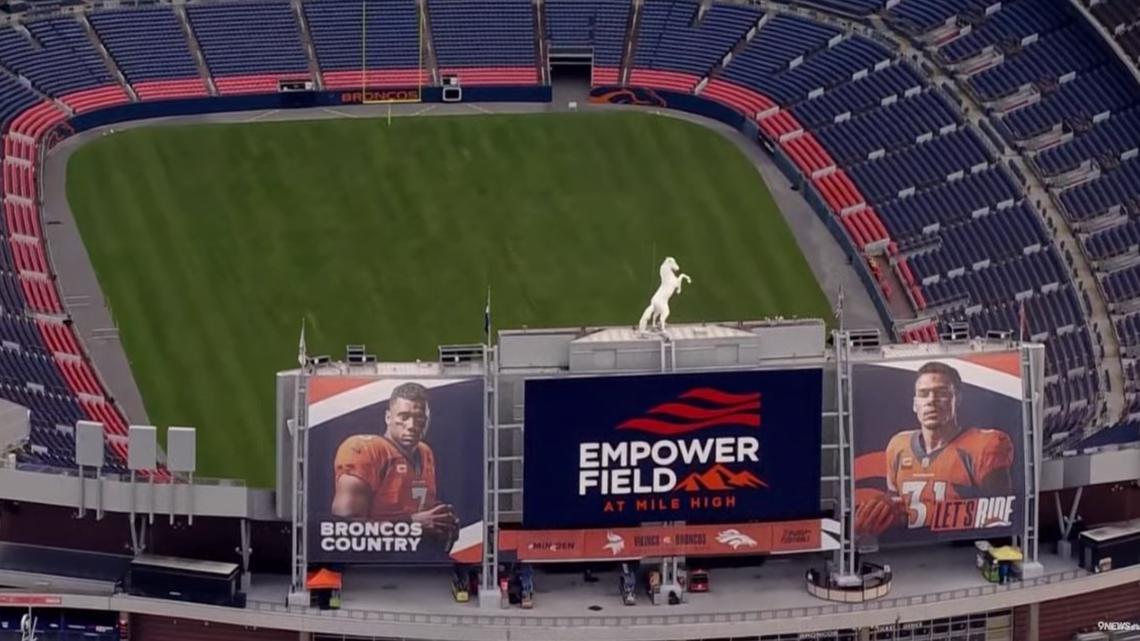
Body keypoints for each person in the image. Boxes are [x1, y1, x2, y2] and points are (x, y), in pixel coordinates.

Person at [855, 361, 1014, 537]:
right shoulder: (898, 444)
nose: (931, 401)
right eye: (924, 394)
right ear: (915, 404)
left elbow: (1000, 512)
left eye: (941, 393)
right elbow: (894, 497)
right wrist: (882, 508)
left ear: (957, 399)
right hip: (909, 548)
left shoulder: (984, 445)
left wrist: (922, 516)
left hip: (959, 548)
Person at [331, 382, 459, 544]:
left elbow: (417, 509)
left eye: (419, 418)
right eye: (404, 417)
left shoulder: (424, 452)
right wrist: (411, 525)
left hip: (415, 555)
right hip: (376, 560)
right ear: (388, 417)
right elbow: (343, 529)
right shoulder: (365, 449)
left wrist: (442, 521)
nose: (412, 426)